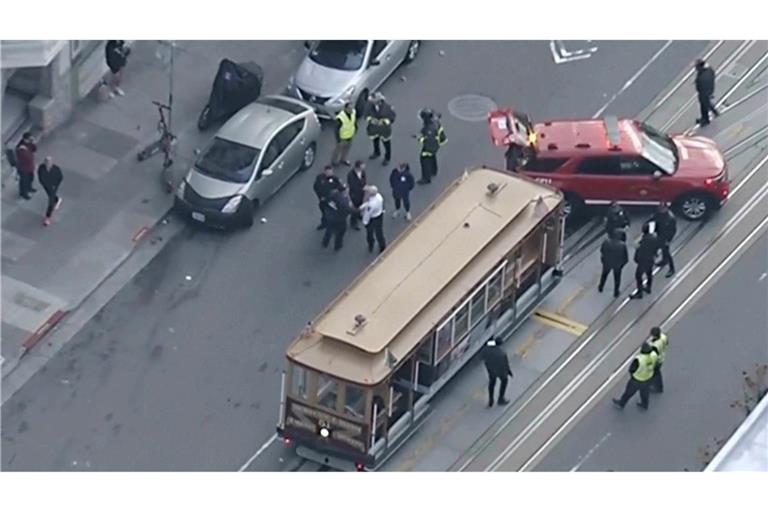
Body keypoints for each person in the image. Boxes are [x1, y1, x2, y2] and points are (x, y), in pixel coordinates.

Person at [612, 342, 658, 410]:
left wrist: (632, 375)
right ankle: (644, 404)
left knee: (628, 393)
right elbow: (656, 364)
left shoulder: (639, 359)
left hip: (637, 380)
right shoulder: (654, 355)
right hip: (648, 378)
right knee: (645, 393)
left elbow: (632, 369)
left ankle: (621, 403)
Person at [415, 108, 447, 184]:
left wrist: (419, 138)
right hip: (436, 144)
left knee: (424, 160)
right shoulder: (435, 122)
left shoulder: (429, 130)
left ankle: (426, 178)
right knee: (432, 157)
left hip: (430, 147)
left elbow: (428, 141)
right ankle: (433, 170)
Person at [481, 338, 514, 407]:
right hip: (500, 371)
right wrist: (509, 372)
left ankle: (491, 400)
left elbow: (483, 358)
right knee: (504, 381)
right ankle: (500, 399)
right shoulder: (502, 353)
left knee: (492, 384)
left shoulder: (486, 349)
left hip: (491, 370)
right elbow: (505, 364)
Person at [366, 92, 396, 166]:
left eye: (373, 101)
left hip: (384, 130)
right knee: (375, 141)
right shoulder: (369, 106)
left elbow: (392, 118)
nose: (372, 102)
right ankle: (377, 152)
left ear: (379, 101)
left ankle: (387, 158)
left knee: (387, 145)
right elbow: (366, 115)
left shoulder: (387, 107)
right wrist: (371, 120)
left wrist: (384, 122)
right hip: (374, 129)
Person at [630, 223, 659, 299]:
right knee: (649, 273)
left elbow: (637, 247)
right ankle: (648, 287)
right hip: (650, 259)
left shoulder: (642, 240)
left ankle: (639, 293)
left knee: (638, 276)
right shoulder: (654, 237)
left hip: (643, 261)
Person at [321, 186, 354, 251]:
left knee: (329, 230)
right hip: (339, 219)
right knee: (340, 232)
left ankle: (325, 242)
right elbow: (349, 210)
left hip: (330, 216)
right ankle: (338, 245)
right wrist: (359, 210)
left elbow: (324, 201)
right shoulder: (344, 201)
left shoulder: (332, 194)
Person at [598, 230, 629, 298]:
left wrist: (604, 260)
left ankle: (601, 286)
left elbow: (602, 251)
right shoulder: (622, 245)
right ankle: (616, 291)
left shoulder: (606, 242)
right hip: (617, 265)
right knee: (617, 279)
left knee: (604, 275)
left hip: (607, 262)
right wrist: (622, 265)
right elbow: (625, 257)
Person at [313, 165, 344, 230]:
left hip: (332, 201)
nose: (329, 174)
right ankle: (324, 223)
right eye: (328, 172)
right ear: (324, 171)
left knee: (333, 214)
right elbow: (316, 187)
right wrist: (320, 196)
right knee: (324, 214)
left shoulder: (335, 179)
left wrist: (337, 191)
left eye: (331, 172)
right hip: (323, 201)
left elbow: (342, 187)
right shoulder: (320, 178)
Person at [652, 203, 677, 278]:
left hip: (665, 237)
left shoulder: (670, 218)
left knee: (666, 252)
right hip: (659, 234)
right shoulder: (658, 213)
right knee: (656, 248)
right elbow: (654, 220)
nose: (661, 210)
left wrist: (668, 240)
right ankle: (663, 260)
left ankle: (672, 269)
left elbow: (673, 231)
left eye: (662, 208)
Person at [37, 156, 63, 226]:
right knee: (51, 196)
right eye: (47, 162)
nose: (48, 164)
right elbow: (40, 176)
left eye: (49, 162)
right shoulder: (41, 168)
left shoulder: (56, 169)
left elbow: (60, 177)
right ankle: (57, 199)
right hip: (46, 186)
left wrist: (55, 185)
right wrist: (43, 183)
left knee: (50, 201)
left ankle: (47, 217)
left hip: (53, 187)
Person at [361, 185, 386, 253]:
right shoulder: (379, 196)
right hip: (379, 215)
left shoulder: (371, 204)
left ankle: (371, 244)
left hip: (373, 219)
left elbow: (367, 214)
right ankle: (382, 246)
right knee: (379, 232)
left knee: (370, 232)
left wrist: (365, 222)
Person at [695, 59, 719, 126]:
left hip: (704, 92)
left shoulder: (703, 77)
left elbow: (701, 85)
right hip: (708, 90)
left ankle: (705, 119)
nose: (696, 69)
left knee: (704, 105)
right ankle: (714, 113)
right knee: (706, 103)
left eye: (696, 67)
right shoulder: (709, 70)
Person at [331, 102, 356, 167]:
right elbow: (336, 130)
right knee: (337, 150)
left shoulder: (353, 112)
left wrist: (355, 129)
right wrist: (338, 140)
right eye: (349, 109)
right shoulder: (340, 118)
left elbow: (353, 121)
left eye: (352, 108)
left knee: (346, 149)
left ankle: (343, 159)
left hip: (350, 136)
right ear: (345, 108)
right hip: (342, 138)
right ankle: (334, 161)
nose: (351, 110)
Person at [15, 132, 38, 199]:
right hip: (23, 168)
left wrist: (34, 143)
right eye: (29, 139)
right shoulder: (21, 148)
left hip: (30, 167)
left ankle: (29, 188)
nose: (30, 141)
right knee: (24, 181)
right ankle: (23, 193)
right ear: (25, 139)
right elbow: (28, 158)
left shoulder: (29, 143)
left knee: (31, 178)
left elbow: (34, 149)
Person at [346, 160, 367, 230]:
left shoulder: (363, 172)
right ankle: (353, 222)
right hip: (354, 195)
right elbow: (352, 186)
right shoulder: (351, 175)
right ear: (358, 167)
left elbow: (364, 180)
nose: (364, 167)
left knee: (360, 206)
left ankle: (358, 215)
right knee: (354, 209)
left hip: (361, 193)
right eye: (362, 166)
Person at [648, 327, 669, 393]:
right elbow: (667, 342)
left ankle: (657, 387)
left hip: (657, 360)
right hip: (662, 357)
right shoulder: (663, 336)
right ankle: (658, 386)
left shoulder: (656, 345)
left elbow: (653, 355)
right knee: (657, 373)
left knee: (655, 373)